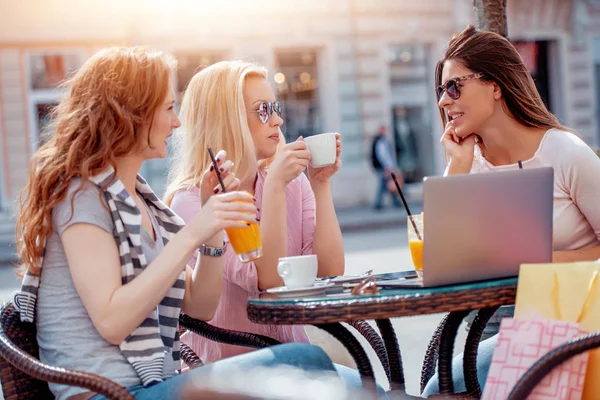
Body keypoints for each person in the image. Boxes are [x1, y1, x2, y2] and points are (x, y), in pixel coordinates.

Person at [11, 47, 362, 400]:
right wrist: (194, 229)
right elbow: (112, 322)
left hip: (154, 384)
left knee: (317, 368)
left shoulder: (144, 203)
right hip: (105, 393)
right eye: (167, 108)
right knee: (306, 360)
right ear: (129, 114)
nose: (177, 122)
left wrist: (210, 236)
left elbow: (200, 306)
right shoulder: (83, 197)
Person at [421, 25, 600, 397]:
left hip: (567, 321)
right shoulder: (466, 162)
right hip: (489, 326)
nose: (443, 101)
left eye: (454, 86)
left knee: (439, 388)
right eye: (441, 90)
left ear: (496, 85)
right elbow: (440, 264)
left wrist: (535, 264)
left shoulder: (566, 153)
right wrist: (456, 167)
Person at [164, 60, 347, 366]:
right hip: (228, 369)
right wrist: (275, 184)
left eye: (275, 107)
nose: (277, 120)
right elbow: (269, 278)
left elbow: (329, 269)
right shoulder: (193, 201)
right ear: (227, 119)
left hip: (294, 360)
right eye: (263, 110)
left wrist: (320, 183)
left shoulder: (290, 183)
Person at [370, 125, 402, 210]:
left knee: (389, 184)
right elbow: (383, 156)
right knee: (385, 185)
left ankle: (393, 202)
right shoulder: (380, 141)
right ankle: (378, 203)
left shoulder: (383, 141)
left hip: (385, 167)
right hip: (384, 168)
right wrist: (388, 167)